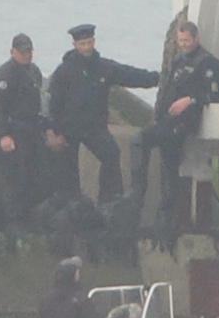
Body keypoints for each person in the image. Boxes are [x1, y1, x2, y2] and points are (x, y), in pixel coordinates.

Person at [44, 24, 159, 205]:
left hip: (94, 126)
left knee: (111, 154)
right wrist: (52, 130)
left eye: (89, 43)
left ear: (94, 41)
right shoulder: (64, 71)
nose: (87, 47)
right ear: (75, 44)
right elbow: (54, 103)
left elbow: (129, 74)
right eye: (82, 44)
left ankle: (109, 201)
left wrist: (157, 78)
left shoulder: (103, 67)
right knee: (68, 170)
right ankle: (70, 205)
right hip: (68, 127)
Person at [127, 21, 219, 235]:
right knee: (165, 162)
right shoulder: (178, 59)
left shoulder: (208, 63)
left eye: (187, 40)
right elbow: (168, 88)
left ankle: (162, 213)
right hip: (168, 119)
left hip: (186, 120)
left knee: (146, 144)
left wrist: (189, 100)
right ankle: (151, 207)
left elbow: (214, 94)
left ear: (196, 38)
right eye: (180, 41)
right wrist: (159, 115)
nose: (184, 45)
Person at [0, 32, 47, 225]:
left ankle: (31, 222)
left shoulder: (34, 71)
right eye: (22, 52)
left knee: (33, 179)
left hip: (33, 131)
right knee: (15, 182)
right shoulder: (6, 73)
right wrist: (4, 134)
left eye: (29, 51)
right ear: (12, 52)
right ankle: (14, 227)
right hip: (14, 133)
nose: (26, 55)